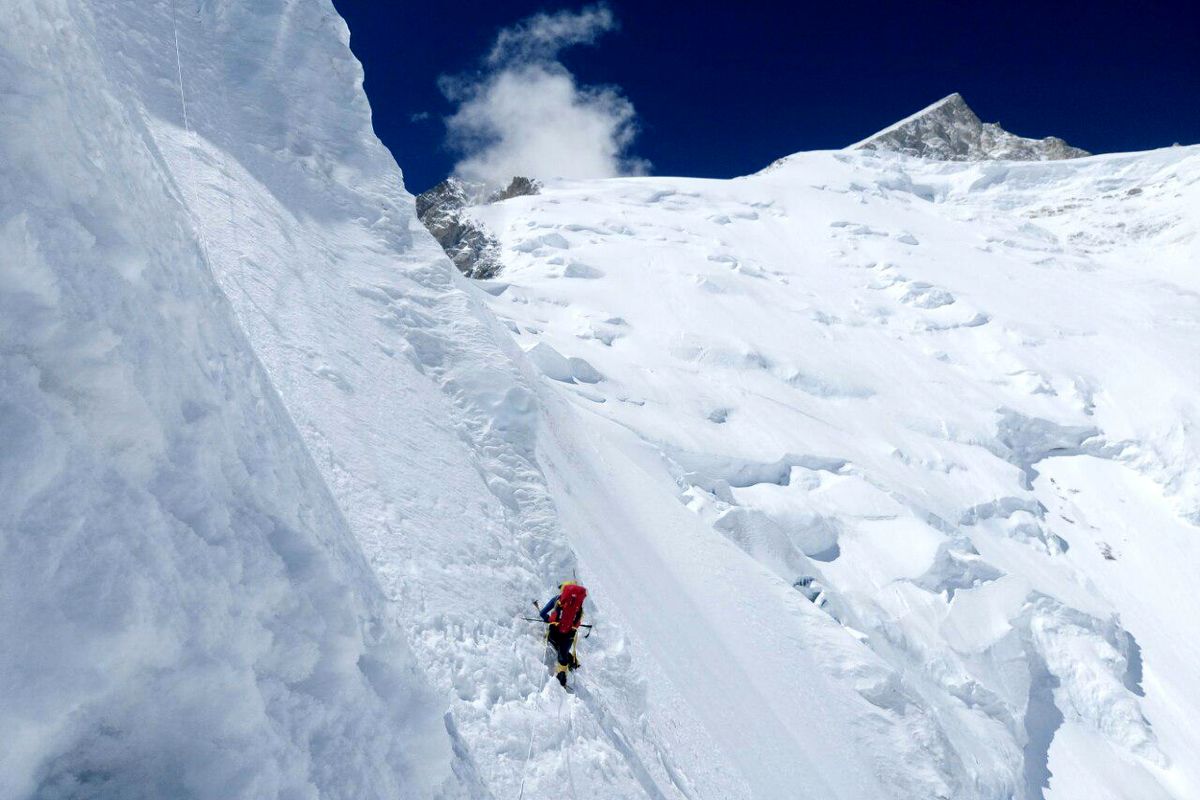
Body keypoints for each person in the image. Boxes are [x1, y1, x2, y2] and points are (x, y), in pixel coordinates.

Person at [539, 581, 587, 688]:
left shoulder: (557, 599)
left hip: (554, 632)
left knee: (554, 644)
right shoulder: (579, 605)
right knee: (563, 652)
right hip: (569, 634)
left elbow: (542, 613)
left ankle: (560, 666)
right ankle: (563, 675)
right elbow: (577, 622)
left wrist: (548, 619)